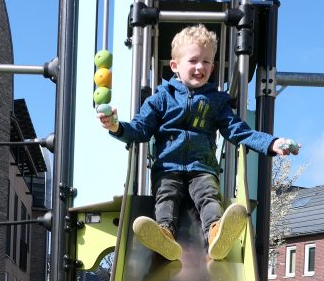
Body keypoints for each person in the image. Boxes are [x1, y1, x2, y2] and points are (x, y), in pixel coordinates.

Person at [97, 24, 299, 262]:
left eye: (206, 62)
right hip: (168, 168)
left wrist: (271, 143)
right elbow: (140, 129)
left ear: (212, 67)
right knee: (166, 196)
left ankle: (216, 234)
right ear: (175, 66)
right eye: (193, 61)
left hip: (202, 167)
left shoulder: (216, 101)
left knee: (208, 197)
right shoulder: (161, 98)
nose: (200, 67)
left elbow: (238, 131)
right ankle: (164, 235)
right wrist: (116, 127)